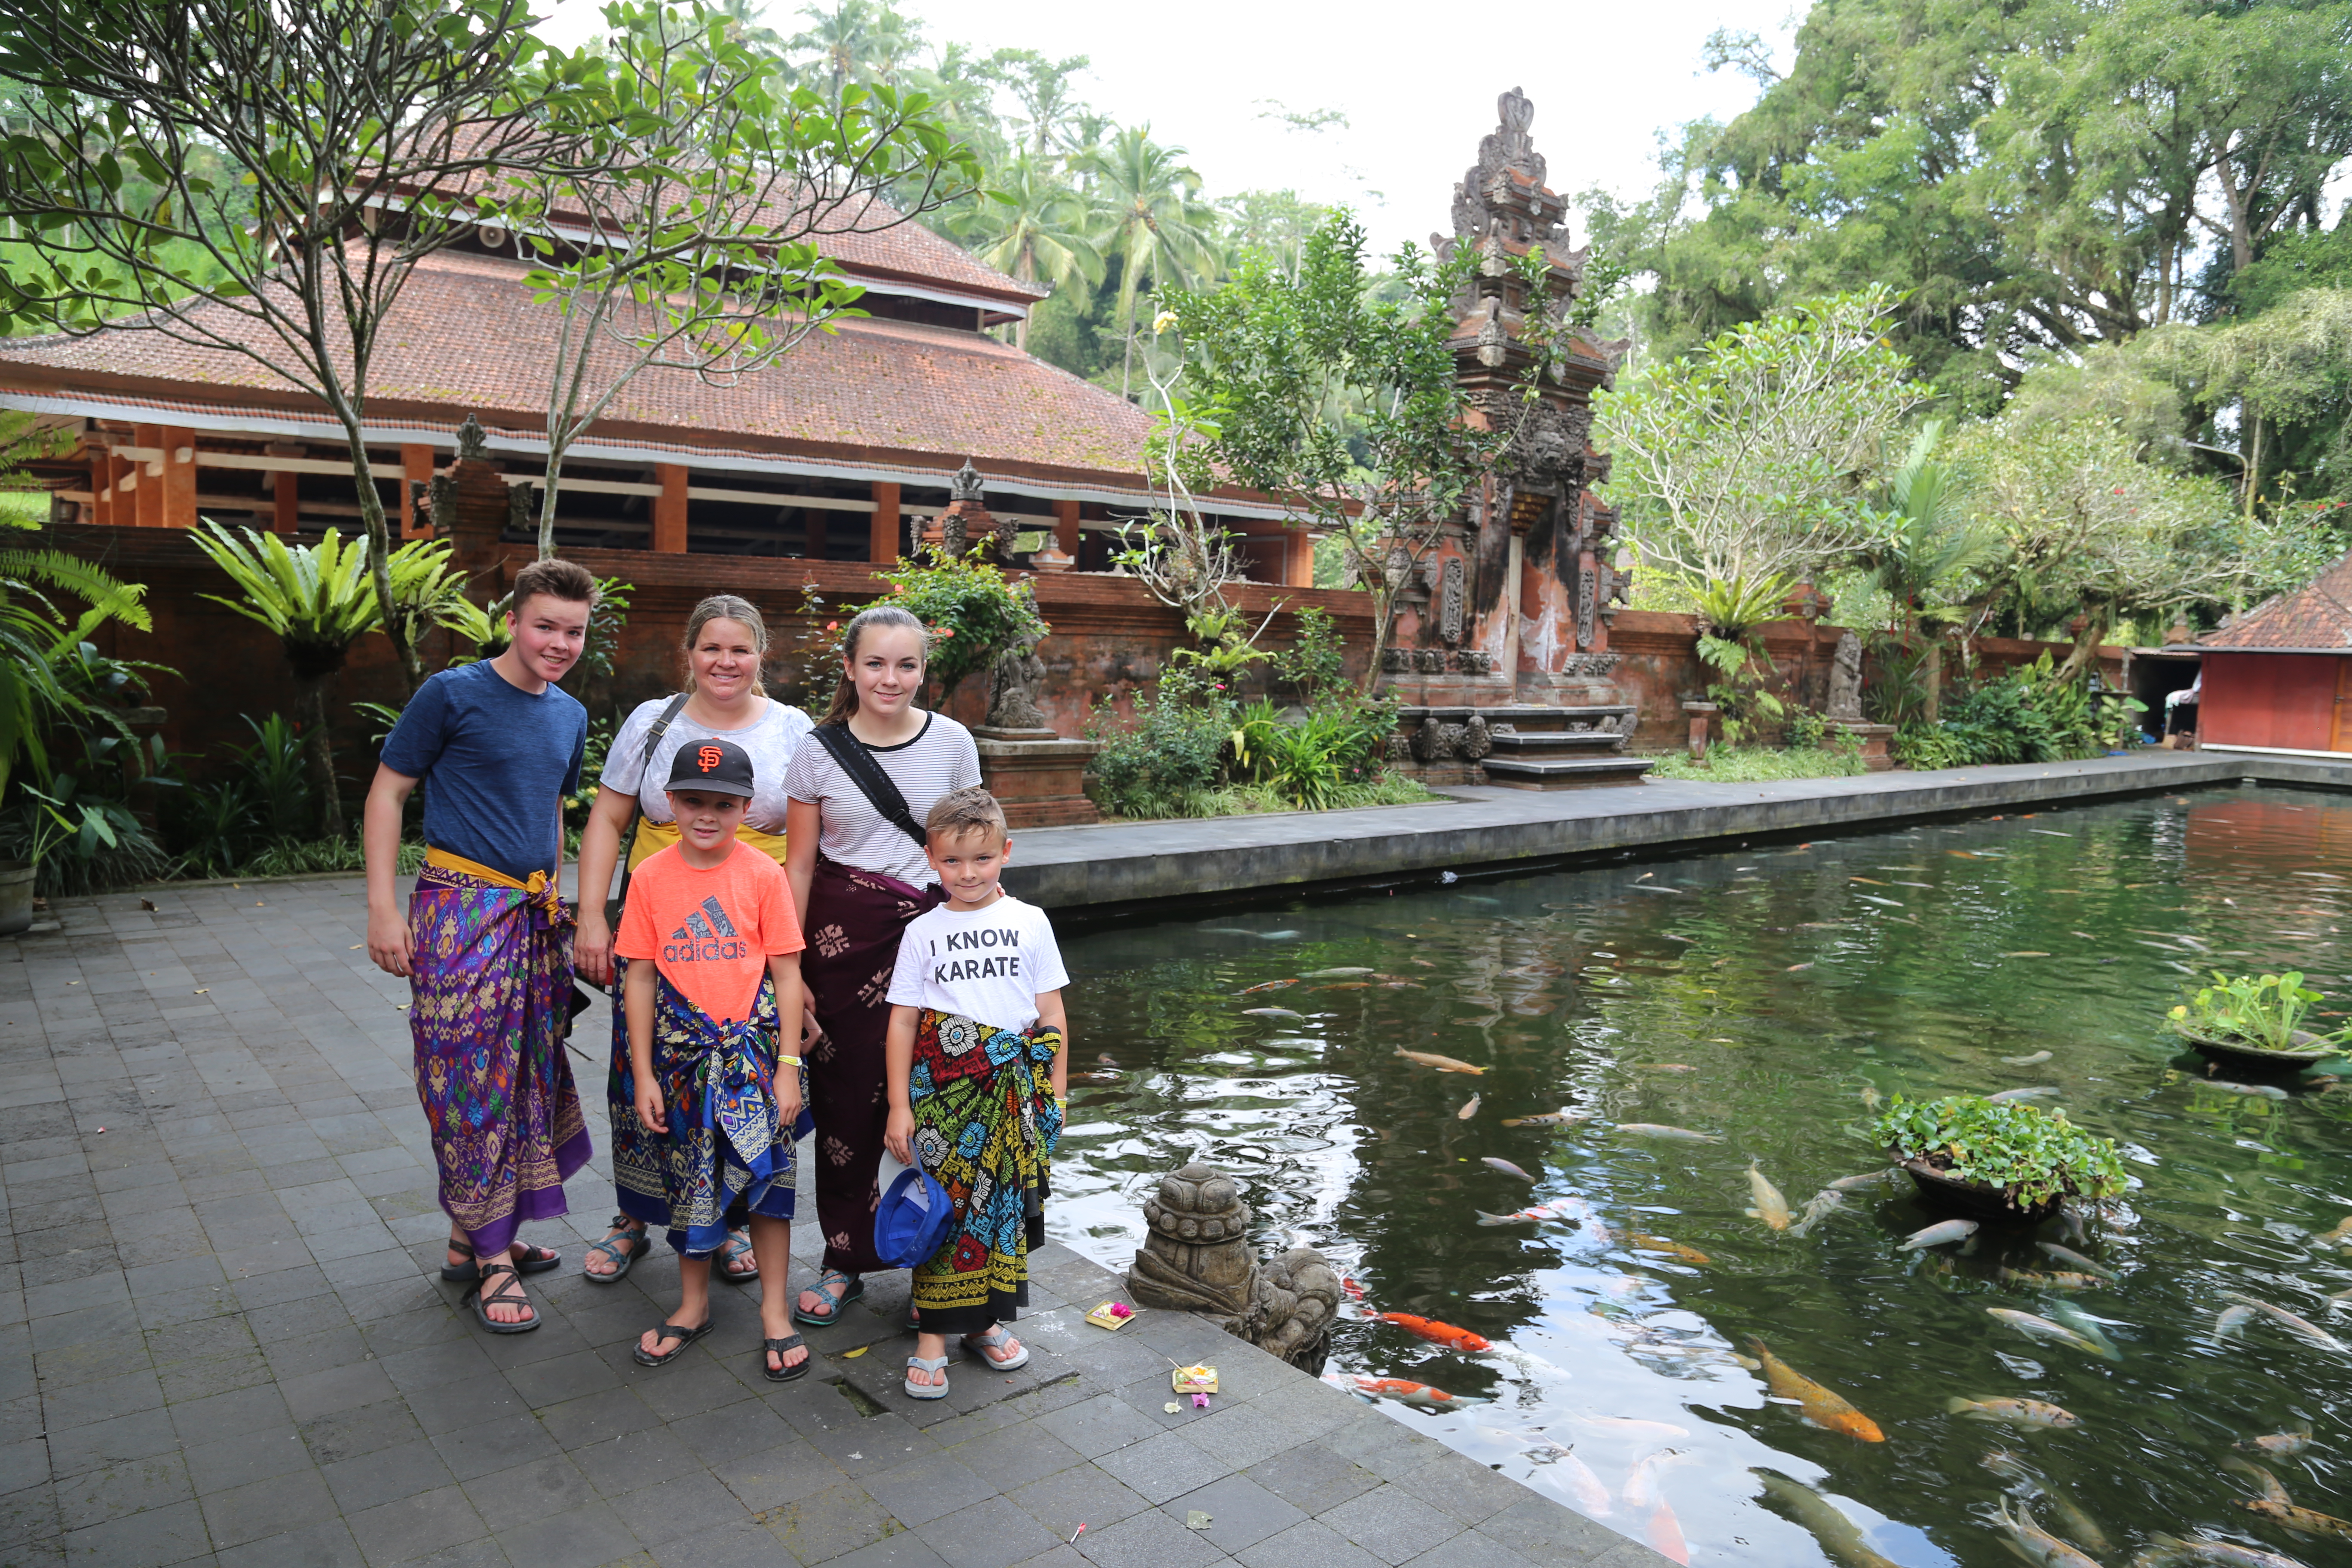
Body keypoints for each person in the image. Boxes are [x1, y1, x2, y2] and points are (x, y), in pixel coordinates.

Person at [364, 557, 597, 1334]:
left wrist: (559, 902)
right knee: (467, 1078)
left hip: (533, 916)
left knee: (527, 1069)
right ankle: (494, 1258)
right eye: (544, 627)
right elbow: (388, 791)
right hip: (457, 912)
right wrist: (381, 909)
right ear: (512, 621)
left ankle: (477, 1237)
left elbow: (554, 812)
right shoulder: (452, 694)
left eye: (573, 630)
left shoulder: (569, 714)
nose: (558, 643)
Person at [575, 595, 812, 1287]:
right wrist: (593, 915)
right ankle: (633, 1216)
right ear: (689, 654)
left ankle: (729, 1217)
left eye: (740, 649)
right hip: (659, 917)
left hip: (749, 927)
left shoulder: (792, 729)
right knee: (639, 1073)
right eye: (711, 647)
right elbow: (607, 820)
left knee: (741, 1079)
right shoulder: (654, 722)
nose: (725, 662)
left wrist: (786, 950)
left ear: (761, 655)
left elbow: (803, 847)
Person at [781, 604, 982, 1326]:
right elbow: (798, 866)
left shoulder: (955, 742)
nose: (890, 679)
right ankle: (846, 1258)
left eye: (906, 664)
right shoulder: (818, 751)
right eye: (875, 663)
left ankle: (954, 1264)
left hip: (940, 942)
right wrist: (792, 969)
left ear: (924, 671)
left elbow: (972, 849)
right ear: (849, 668)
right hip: (843, 942)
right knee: (845, 1102)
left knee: (949, 1097)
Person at [613, 738, 812, 1380]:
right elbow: (639, 980)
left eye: (723, 804)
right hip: (680, 1061)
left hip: (752, 1057)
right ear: (669, 803)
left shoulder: (763, 875)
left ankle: (775, 1311)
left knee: (768, 1183)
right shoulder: (650, 877)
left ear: (747, 807)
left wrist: (788, 1065)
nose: (707, 815)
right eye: (693, 801)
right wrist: (643, 1073)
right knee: (689, 1179)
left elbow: (786, 974)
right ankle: (693, 1303)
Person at [882, 787, 1067, 1397]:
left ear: (1005, 853)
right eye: (954, 861)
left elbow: (1050, 1016)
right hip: (941, 1096)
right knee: (944, 1210)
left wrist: (1056, 1098)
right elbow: (905, 1022)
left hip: (1015, 1096)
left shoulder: (1030, 921)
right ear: (932, 861)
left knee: (1001, 1211)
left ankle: (984, 1322)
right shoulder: (922, 933)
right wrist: (900, 1105)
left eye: (982, 859)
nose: (968, 874)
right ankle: (932, 1338)